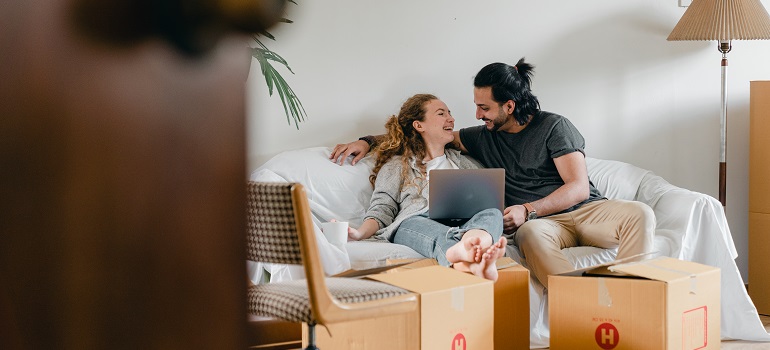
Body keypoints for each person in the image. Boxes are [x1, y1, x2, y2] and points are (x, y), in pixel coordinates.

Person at [331, 58, 655, 288]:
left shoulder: (554, 127)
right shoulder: (478, 137)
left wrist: (526, 210)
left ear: (509, 106)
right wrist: (367, 140)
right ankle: (576, 300)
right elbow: (415, 138)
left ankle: (632, 294)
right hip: (539, 227)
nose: (475, 114)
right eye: (475, 106)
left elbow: (578, 188)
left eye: (484, 108)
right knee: (529, 237)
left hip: (584, 212)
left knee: (640, 214)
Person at [347, 93, 507, 281]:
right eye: (441, 114)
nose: (451, 118)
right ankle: (468, 254)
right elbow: (382, 209)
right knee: (410, 222)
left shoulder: (466, 163)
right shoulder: (397, 166)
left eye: (450, 113)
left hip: (464, 223)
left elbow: (488, 202)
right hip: (416, 223)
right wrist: (359, 233)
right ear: (419, 125)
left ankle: (470, 251)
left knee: (492, 212)